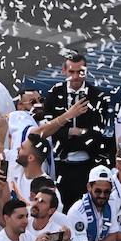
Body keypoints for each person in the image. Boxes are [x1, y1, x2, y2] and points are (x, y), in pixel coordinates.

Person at [42, 51, 112, 203]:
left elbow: (96, 135)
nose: (75, 77)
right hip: (61, 165)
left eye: (80, 72)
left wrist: (68, 134)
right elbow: (47, 128)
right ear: (64, 71)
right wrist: (71, 131)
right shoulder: (55, 93)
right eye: (71, 72)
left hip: (87, 165)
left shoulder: (96, 96)